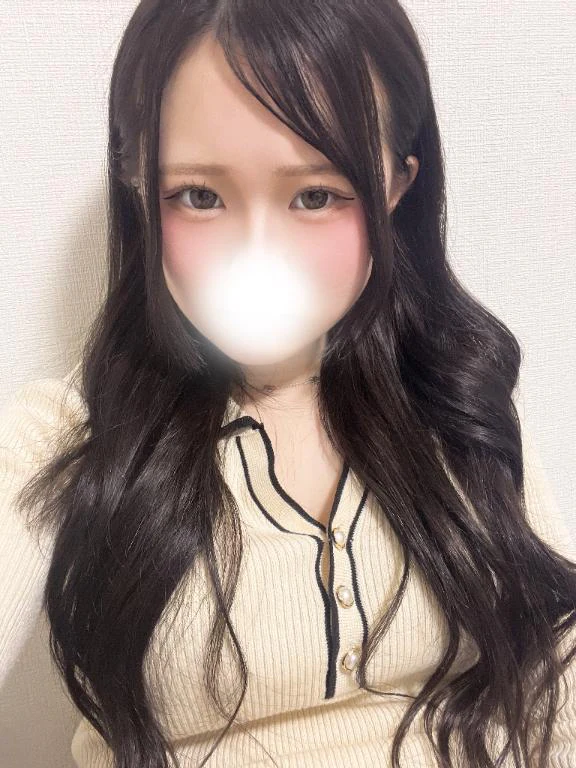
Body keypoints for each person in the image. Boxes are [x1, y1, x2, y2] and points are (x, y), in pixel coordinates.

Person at [1, 1, 575, 767]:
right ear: (138, 182)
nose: (257, 253)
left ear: (396, 186)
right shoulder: (67, 438)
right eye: (199, 196)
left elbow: (555, 676)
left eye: (316, 195)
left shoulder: (457, 394)